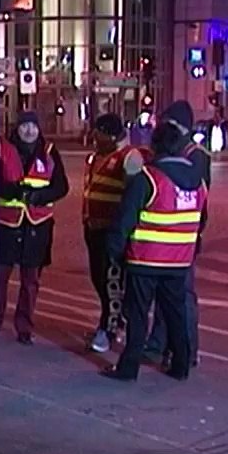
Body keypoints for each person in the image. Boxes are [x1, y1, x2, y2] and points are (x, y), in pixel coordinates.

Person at [103, 119, 208, 382]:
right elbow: (201, 220)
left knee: (137, 315)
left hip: (145, 259)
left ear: (156, 146)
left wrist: (114, 251)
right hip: (179, 260)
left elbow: (124, 220)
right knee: (175, 313)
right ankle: (180, 365)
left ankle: (128, 368)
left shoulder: (147, 178)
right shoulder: (198, 182)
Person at [143, 101, 209, 368]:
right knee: (166, 295)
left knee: (181, 296)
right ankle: (160, 344)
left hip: (181, 237)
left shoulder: (195, 155)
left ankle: (187, 349)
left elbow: (197, 198)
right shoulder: (170, 149)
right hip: (167, 238)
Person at [0, 111, 69, 345]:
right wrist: (16, 191)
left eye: (33, 126)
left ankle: (24, 326)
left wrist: (38, 196)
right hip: (7, 223)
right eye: (25, 125)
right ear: (17, 128)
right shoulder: (1, 149)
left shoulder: (49, 152)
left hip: (38, 225)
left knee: (31, 281)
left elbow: (61, 186)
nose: (29, 131)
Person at [82, 113, 146, 353]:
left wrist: (122, 231)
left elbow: (132, 196)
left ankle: (109, 330)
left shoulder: (128, 158)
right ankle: (111, 322)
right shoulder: (96, 156)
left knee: (112, 283)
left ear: (110, 134)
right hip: (94, 228)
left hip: (112, 231)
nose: (94, 137)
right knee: (99, 280)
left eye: (98, 132)